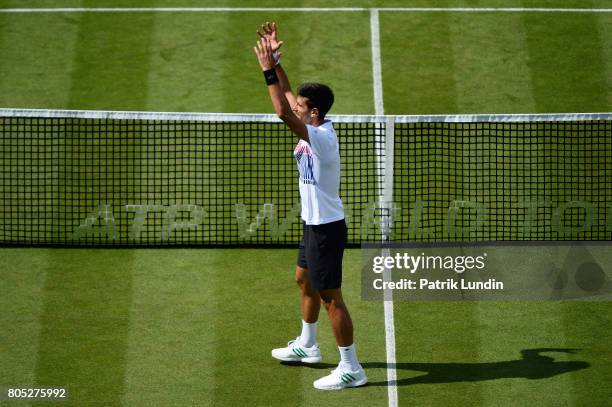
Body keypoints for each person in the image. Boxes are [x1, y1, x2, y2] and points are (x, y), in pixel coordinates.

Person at [253, 22, 367, 390]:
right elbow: (287, 97)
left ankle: (351, 368)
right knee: (304, 280)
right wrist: (277, 61)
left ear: (313, 113)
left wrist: (267, 71)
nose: (295, 105)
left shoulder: (319, 138)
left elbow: (283, 112)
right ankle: (307, 345)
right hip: (312, 223)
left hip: (326, 229)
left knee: (331, 297)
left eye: (302, 105)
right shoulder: (314, 123)